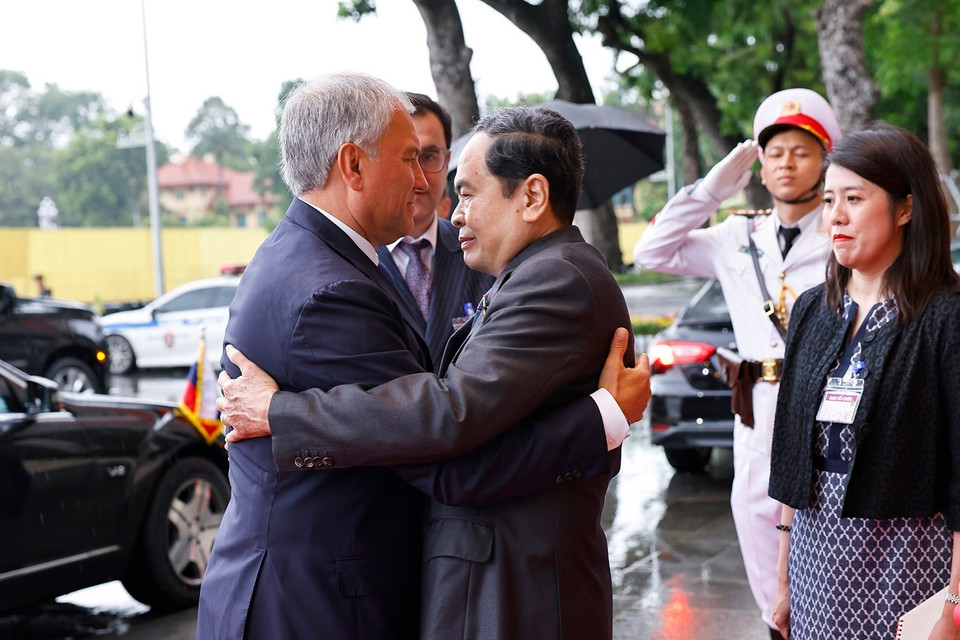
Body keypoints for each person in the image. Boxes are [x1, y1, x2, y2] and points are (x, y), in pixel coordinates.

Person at [198, 73, 648, 640]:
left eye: (462, 189)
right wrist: (602, 419)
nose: (425, 188)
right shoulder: (331, 287)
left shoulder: (548, 277)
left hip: (511, 590)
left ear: (531, 196)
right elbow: (446, 454)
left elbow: (446, 424)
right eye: (411, 159)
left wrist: (282, 413)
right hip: (316, 604)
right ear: (353, 166)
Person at [633, 88, 842, 638]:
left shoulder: (841, 231)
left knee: (828, 541)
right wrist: (707, 191)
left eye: (802, 150)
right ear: (760, 165)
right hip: (756, 413)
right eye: (774, 153)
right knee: (757, 533)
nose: (786, 163)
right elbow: (651, 253)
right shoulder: (737, 235)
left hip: (824, 405)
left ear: (825, 160)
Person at [769, 124, 960, 640]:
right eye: (830, 199)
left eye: (854, 198)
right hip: (814, 557)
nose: (835, 215)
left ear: (905, 208)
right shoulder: (813, 309)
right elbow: (792, 456)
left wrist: (957, 606)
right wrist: (782, 575)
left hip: (908, 562)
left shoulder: (946, 316)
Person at [378, 92, 493, 369]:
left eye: (428, 156)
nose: (416, 177)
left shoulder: (487, 250)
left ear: (448, 161)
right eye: (405, 158)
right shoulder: (352, 260)